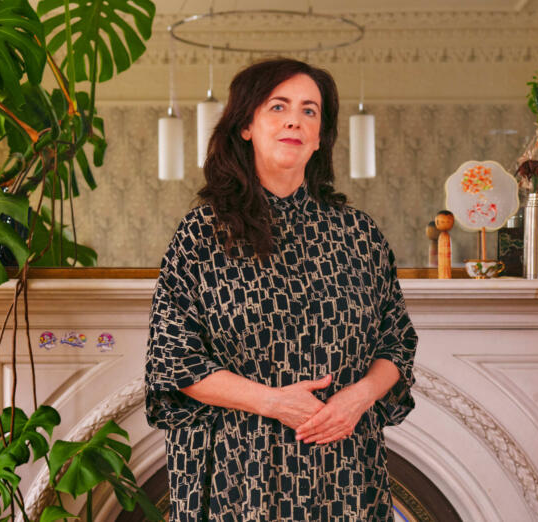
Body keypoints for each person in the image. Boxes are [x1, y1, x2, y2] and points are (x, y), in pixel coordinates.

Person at [145, 58, 418, 521]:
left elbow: (398, 342)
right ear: (246, 125)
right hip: (240, 470)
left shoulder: (359, 234)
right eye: (278, 106)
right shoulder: (204, 233)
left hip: (346, 468)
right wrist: (274, 403)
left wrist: (360, 396)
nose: (295, 119)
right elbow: (173, 360)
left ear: (319, 137)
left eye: (310, 111)